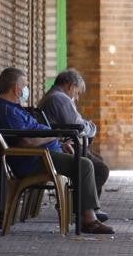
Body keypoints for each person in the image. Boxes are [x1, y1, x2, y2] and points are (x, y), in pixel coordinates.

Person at [0, 67, 114, 235]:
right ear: (16, 89)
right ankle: (89, 219)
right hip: (35, 161)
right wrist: (55, 135)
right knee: (84, 165)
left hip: (44, 155)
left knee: (86, 162)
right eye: (25, 85)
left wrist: (59, 143)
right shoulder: (6, 111)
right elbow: (26, 141)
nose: (27, 90)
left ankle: (85, 213)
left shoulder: (14, 108)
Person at [38, 68, 111, 200]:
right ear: (71, 86)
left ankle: (91, 209)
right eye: (77, 93)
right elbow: (77, 126)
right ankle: (82, 209)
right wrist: (92, 127)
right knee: (101, 169)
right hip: (60, 147)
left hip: (58, 144)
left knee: (97, 160)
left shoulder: (52, 95)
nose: (76, 98)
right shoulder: (60, 98)